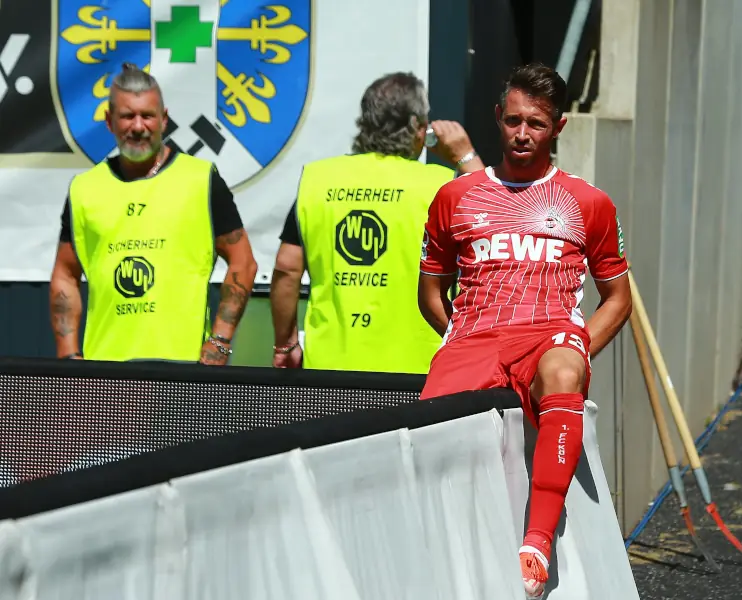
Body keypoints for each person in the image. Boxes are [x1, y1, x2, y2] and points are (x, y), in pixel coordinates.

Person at [417, 63, 633, 598]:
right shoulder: (456, 196)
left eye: (535, 123)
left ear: (557, 127)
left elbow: (618, 300)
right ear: (497, 117)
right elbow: (428, 292)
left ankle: (535, 544)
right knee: (429, 443)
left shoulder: (588, 202)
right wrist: (457, 335)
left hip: (549, 334)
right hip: (475, 336)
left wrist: (579, 344)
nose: (521, 134)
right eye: (512, 120)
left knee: (563, 369)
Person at [269, 72, 484, 371]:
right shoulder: (440, 184)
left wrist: (286, 344)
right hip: (418, 366)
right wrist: (464, 154)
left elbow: (286, 268)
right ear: (419, 129)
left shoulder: (319, 180)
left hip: (330, 367)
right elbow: (498, 220)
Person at [48, 63, 257, 364]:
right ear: (109, 121)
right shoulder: (85, 189)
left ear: (164, 120)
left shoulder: (200, 179)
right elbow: (65, 274)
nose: (137, 126)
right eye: (127, 116)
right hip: (106, 370)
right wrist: (68, 355)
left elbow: (244, 262)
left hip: (184, 370)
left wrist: (220, 341)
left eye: (147, 115)